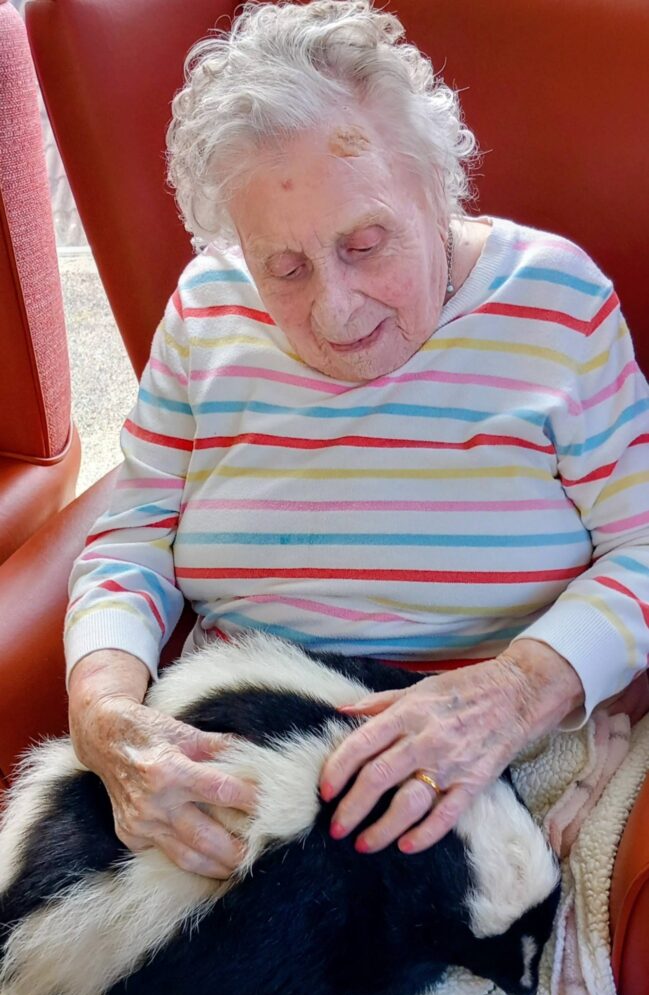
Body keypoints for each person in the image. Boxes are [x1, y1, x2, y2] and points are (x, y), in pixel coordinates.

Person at [66, 0, 649, 882]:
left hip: (489, 751)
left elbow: (641, 543)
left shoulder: (555, 302)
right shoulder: (205, 307)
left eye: (366, 245)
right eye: (284, 268)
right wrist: (104, 710)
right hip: (240, 740)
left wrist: (521, 689)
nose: (334, 313)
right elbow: (131, 540)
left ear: (438, 190)